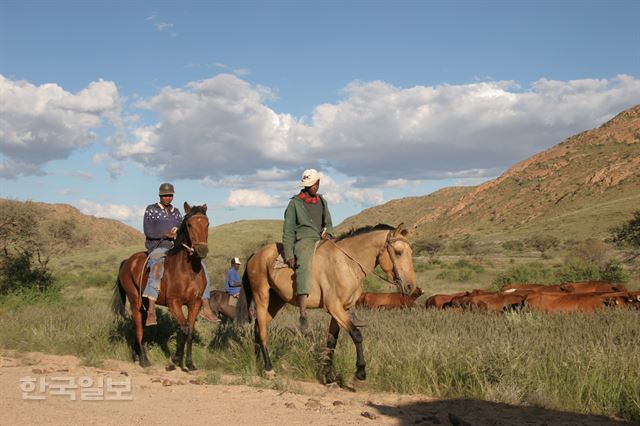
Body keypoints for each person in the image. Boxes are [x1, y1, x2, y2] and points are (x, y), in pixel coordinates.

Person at [142, 182, 218, 326]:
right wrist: (164, 234)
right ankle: (151, 310)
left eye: (170, 195)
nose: (167, 198)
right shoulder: (151, 210)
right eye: (165, 196)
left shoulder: (176, 212)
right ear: (160, 196)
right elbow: (148, 231)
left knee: (203, 268)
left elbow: (183, 231)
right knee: (157, 267)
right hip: (157, 247)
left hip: (175, 248)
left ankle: (206, 306)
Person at [282, 169, 335, 331]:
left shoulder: (322, 201)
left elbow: (329, 223)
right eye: (311, 184)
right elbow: (288, 231)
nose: (315, 187)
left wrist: (329, 234)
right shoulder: (295, 203)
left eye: (317, 183)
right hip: (304, 240)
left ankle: (343, 302)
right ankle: (303, 310)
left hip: (321, 238)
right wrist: (289, 254)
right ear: (305, 185)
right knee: (304, 263)